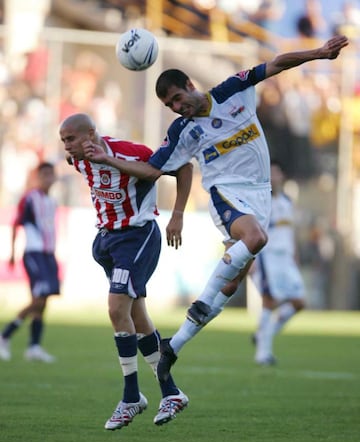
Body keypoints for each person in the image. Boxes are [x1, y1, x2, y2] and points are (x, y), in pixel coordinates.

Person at [82, 35, 348, 385]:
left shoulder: (232, 91)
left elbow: (277, 63)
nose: (177, 108)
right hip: (226, 195)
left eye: (178, 98)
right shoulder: (182, 131)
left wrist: (319, 54)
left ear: (190, 86)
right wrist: (108, 160)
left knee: (231, 283)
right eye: (170, 105)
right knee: (255, 238)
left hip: (260, 195)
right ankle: (180, 335)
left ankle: (172, 347)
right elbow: (153, 171)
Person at [59, 113, 192, 430]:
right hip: (108, 241)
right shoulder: (77, 159)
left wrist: (177, 215)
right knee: (137, 317)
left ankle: (131, 396)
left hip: (137, 236)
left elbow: (183, 167)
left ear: (91, 134)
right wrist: (79, 153)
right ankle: (171, 392)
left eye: (71, 139)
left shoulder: (129, 152)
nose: (66, 146)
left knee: (117, 307)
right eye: (63, 140)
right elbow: (74, 161)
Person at [0, 162, 59, 363]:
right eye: (44, 174)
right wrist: (12, 253)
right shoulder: (30, 198)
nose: (48, 178)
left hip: (49, 255)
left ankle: (34, 347)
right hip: (34, 253)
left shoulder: (52, 202)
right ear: (37, 176)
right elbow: (17, 224)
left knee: (43, 302)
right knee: (38, 299)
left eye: (51, 174)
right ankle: (5, 336)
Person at [250, 160, 306, 365]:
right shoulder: (261, 203)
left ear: (282, 176)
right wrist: (252, 259)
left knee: (299, 302)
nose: (274, 177)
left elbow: (290, 232)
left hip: (287, 259)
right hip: (268, 257)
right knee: (270, 301)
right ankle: (263, 354)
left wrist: (295, 255)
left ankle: (263, 334)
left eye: (276, 173)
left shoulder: (288, 202)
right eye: (270, 173)